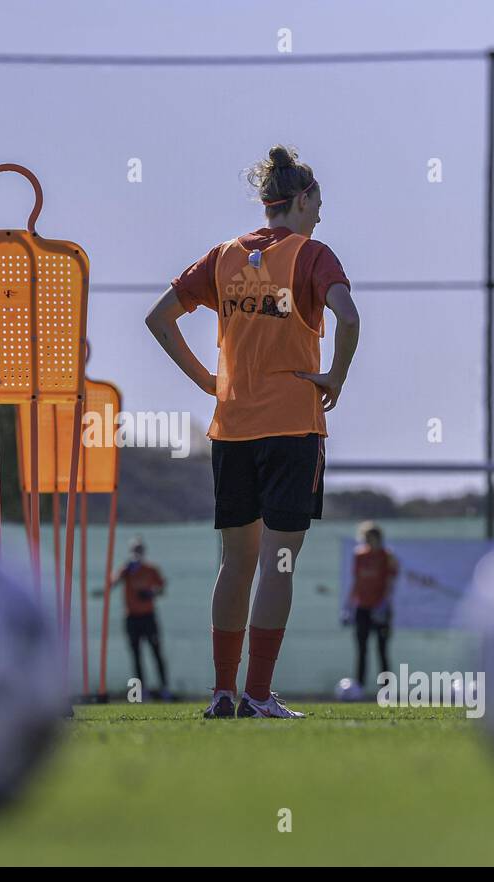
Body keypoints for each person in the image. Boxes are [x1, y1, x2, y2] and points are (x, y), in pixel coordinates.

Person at [144, 145, 361, 718]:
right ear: (302, 200)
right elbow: (350, 315)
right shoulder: (312, 255)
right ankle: (259, 695)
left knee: (235, 563)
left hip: (232, 427)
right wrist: (335, 375)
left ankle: (222, 693)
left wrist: (206, 381)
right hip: (292, 426)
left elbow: (158, 317)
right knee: (279, 563)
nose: (320, 216)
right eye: (318, 204)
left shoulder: (224, 256)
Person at [97, 538, 170, 699]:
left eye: (139, 550)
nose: (137, 553)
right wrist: (122, 572)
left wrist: (151, 593)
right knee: (136, 655)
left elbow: (162, 587)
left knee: (156, 652)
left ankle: (164, 689)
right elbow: (112, 582)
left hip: (148, 617)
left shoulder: (150, 569)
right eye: (134, 550)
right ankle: (139, 692)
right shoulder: (127, 569)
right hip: (131, 618)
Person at [343, 522, 399, 698]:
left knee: (382, 649)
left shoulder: (387, 556)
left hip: (381, 608)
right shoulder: (360, 555)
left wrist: (384, 604)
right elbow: (356, 582)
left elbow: (390, 582)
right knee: (361, 649)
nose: (369, 542)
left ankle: (387, 690)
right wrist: (349, 606)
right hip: (363, 608)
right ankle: (358, 687)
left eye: (372, 538)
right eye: (366, 538)